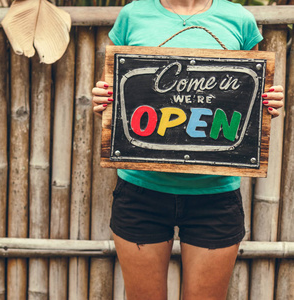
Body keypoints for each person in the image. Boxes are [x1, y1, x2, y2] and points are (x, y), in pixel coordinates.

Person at [91, 0, 284, 299]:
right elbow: (117, 88)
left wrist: (267, 104)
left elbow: (251, 96)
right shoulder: (132, 15)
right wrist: (102, 98)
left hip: (216, 196)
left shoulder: (239, 20)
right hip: (141, 193)